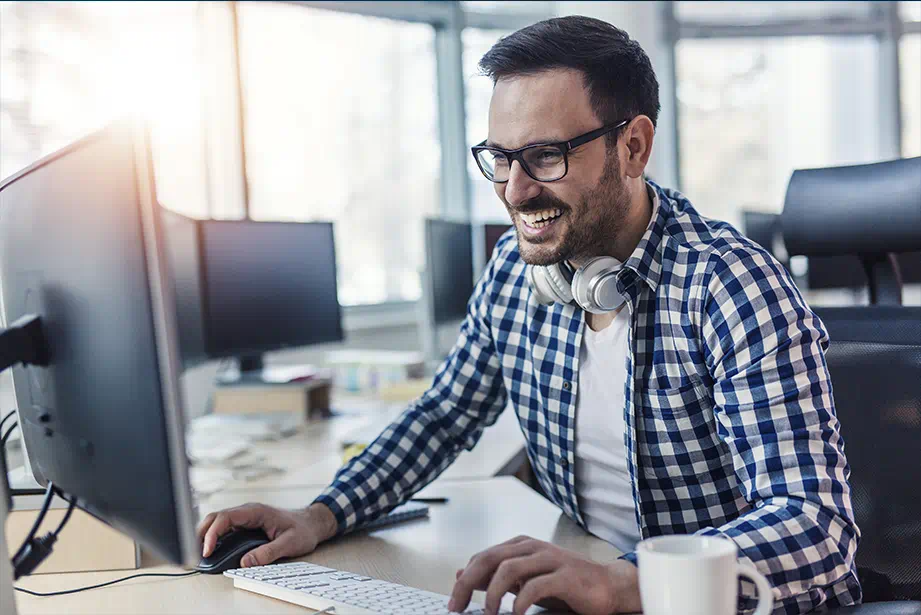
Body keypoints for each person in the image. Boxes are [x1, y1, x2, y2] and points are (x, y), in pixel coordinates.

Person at [199, 16, 860, 615]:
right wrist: (320, 514)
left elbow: (813, 524)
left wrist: (628, 582)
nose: (514, 191)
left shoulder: (729, 285)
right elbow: (443, 415)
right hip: (592, 583)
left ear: (632, 147)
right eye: (500, 157)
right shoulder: (520, 273)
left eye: (546, 156)